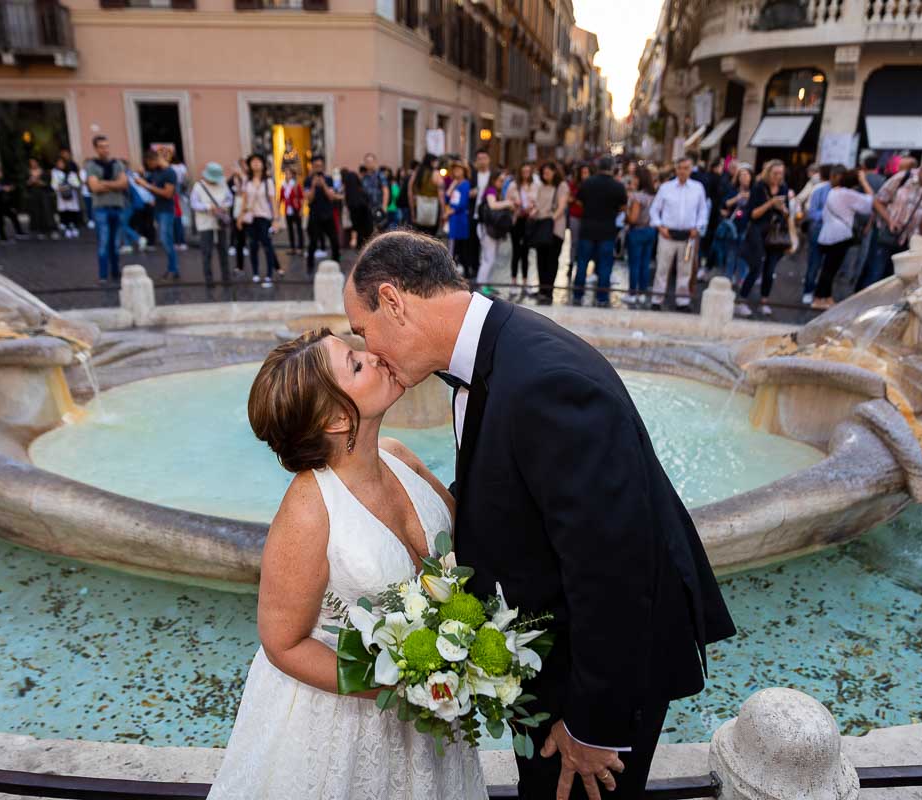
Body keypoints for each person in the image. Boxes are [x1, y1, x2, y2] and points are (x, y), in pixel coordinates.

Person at [343, 231, 735, 800]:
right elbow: (511, 493)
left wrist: (595, 726)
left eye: (363, 329)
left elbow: (614, 567)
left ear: (394, 301)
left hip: (600, 682)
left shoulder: (546, 380)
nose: (369, 348)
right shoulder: (497, 354)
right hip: (557, 656)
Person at [205, 327, 487, 799]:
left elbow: (470, 549)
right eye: (355, 364)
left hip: (436, 714)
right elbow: (283, 643)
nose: (373, 356)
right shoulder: (309, 510)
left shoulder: (400, 457)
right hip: (347, 727)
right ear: (336, 419)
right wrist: (397, 687)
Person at [856, 156, 922, 291]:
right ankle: (863, 306)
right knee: (875, 273)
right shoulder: (903, 178)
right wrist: (890, 220)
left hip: (907, 239)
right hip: (885, 233)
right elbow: (878, 201)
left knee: (893, 277)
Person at [649, 156, 708, 312]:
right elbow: (654, 209)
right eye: (680, 168)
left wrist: (698, 227)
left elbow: (703, 210)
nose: (682, 171)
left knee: (685, 269)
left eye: (686, 168)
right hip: (667, 234)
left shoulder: (698, 188)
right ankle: (657, 298)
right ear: (676, 169)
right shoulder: (666, 188)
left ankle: (682, 301)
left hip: (688, 235)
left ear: (690, 169)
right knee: (662, 267)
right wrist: (660, 227)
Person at [736, 159, 794, 318]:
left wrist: (783, 209)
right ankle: (742, 300)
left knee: (770, 270)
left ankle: (764, 301)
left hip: (776, 234)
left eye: (781, 173)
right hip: (758, 232)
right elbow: (752, 214)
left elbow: (788, 214)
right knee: (755, 267)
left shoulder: (783, 188)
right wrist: (770, 204)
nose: (778, 176)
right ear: (768, 173)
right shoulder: (759, 188)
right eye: (775, 173)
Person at [813, 167, 874, 309]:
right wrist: (864, 182)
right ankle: (820, 297)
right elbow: (869, 201)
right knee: (830, 269)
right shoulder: (847, 194)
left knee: (828, 267)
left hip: (828, 233)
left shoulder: (834, 192)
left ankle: (825, 297)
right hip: (840, 235)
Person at [573, 157, 629, 307]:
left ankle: (578, 295)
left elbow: (578, 201)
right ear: (612, 168)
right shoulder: (618, 186)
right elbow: (623, 207)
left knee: (582, 263)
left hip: (587, 228)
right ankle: (602, 297)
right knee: (605, 265)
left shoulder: (588, 182)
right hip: (607, 230)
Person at [84, 134, 129, 284]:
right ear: (96, 148)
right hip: (100, 208)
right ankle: (103, 275)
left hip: (117, 206)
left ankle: (116, 272)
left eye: (107, 146)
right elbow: (94, 187)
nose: (105, 149)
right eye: (102, 147)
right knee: (103, 242)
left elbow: (124, 184)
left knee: (115, 243)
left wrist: (104, 183)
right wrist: (114, 183)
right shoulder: (91, 165)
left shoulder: (118, 164)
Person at [134, 148, 180, 281]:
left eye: (148, 164)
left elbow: (168, 193)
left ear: (152, 160)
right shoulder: (156, 172)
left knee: (166, 240)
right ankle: (172, 269)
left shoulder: (170, 172)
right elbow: (149, 183)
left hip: (167, 210)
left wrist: (146, 186)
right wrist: (142, 177)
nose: (149, 167)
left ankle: (173, 269)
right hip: (158, 210)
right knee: (166, 240)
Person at [530, 161, 570, 306]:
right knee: (541, 259)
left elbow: (561, 207)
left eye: (547, 172)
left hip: (554, 228)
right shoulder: (541, 187)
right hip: (542, 227)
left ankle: (549, 292)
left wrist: (550, 219)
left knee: (552, 260)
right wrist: (534, 212)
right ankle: (542, 289)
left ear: (554, 172)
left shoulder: (561, 186)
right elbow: (538, 205)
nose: (545, 175)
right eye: (543, 173)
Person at [191, 161, 234, 291]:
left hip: (220, 221)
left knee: (223, 251)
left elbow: (230, 199)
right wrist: (209, 207)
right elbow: (194, 204)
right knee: (206, 252)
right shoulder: (198, 186)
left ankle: (226, 278)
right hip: (205, 223)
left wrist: (223, 207)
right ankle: (209, 280)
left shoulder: (223, 185)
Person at [240, 153, 281, 286]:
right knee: (253, 246)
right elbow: (244, 201)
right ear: (250, 165)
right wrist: (240, 217)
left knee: (267, 246)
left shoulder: (268, 182)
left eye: (258, 161)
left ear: (263, 165)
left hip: (264, 218)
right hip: (251, 218)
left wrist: (276, 220)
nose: (256, 163)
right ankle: (256, 273)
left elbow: (273, 202)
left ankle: (269, 274)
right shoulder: (247, 181)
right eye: (253, 161)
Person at [622, 164, 657, 307]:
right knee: (645, 263)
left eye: (635, 177)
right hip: (650, 230)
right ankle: (642, 293)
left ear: (640, 179)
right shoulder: (653, 195)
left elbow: (633, 219)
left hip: (637, 231)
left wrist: (625, 211)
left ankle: (632, 293)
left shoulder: (637, 197)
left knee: (634, 264)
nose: (633, 180)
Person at [801, 164, 835, 306]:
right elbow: (813, 212)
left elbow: (811, 211)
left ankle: (818, 293)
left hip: (830, 230)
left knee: (825, 264)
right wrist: (828, 214)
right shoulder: (819, 190)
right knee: (815, 262)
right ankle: (809, 291)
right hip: (819, 229)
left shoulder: (835, 190)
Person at [475, 169, 512, 294]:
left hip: (493, 229)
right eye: (500, 180)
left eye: (504, 181)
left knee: (492, 258)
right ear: (494, 180)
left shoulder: (498, 192)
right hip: (486, 229)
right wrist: (508, 203)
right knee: (488, 258)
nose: (502, 183)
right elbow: (493, 205)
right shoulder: (490, 190)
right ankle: (481, 285)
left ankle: (486, 284)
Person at [306, 155, 342, 274]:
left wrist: (324, 185)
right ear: (313, 166)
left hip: (328, 215)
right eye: (316, 166)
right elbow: (309, 200)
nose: (318, 168)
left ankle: (336, 264)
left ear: (323, 166)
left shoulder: (329, 179)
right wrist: (313, 186)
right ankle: (310, 266)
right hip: (314, 216)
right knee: (313, 242)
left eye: (320, 166)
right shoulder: (308, 180)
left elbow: (331, 198)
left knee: (334, 241)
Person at [505, 163, 537, 296]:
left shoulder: (534, 185)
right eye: (523, 171)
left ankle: (525, 281)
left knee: (525, 253)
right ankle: (513, 282)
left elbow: (537, 203)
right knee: (516, 252)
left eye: (528, 171)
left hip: (528, 221)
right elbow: (507, 202)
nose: (525, 174)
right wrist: (515, 206)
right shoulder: (513, 186)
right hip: (517, 220)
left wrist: (532, 209)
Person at [444, 160, 473, 277]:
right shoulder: (454, 183)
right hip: (453, 220)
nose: (456, 171)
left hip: (460, 219)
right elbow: (447, 198)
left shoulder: (465, 184)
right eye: (455, 169)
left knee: (460, 248)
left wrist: (450, 211)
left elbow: (463, 203)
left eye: (459, 169)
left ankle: (465, 273)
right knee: (453, 247)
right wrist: (451, 186)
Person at [409, 154, 443, 237]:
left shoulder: (417, 172)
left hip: (419, 206)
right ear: (432, 162)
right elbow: (441, 195)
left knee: (420, 236)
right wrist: (443, 211)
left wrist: (412, 210)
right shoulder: (436, 174)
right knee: (431, 236)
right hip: (433, 207)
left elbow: (410, 191)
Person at [51, 157, 82, 238]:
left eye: (62, 163)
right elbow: (53, 185)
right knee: (65, 213)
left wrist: (70, 185)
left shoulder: (71, 173)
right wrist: (59, 188)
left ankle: (74, 228)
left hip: (71, 197)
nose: (60, 165)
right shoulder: (55, 173)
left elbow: (77, 184)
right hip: (62, 197)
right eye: (58, 163)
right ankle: (67, 229)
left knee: (72, 213)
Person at [25, 158, 56, 238]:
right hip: (34, 195)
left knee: (47, 211)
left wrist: (39, 182)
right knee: (37, 212)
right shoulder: (28, 172)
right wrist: (30, 181)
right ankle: (41, 230)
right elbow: (26, 184)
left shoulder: (43, 172)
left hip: (43, 193)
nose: (33, 164)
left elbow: (48, 183)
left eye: (34, 162)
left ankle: (51, 229)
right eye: (31, 162)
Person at [361, 152, 389, 234]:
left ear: (375, 162)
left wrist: (384, 206)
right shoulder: (364, 178)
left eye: (371, 161)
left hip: (379, 207)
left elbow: (385, 190)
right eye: (367, 162)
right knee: (370, 233)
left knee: (380, 232)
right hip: (368, 210)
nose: (369, 164)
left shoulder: (380, 175)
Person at [280, 166, 304, 255]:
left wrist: (301, 209)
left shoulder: (296, 185)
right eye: (285, 173)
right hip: (288, 210)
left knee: (298, 229)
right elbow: (281, 198)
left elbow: (301, 197)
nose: (287, 175)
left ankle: (300, 247)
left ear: (292, 175)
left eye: (288, 173)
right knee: (290, 229)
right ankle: (292, 247)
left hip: (296, 209)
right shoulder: (283, 185)